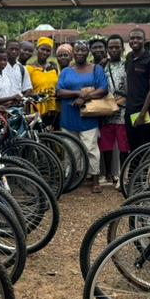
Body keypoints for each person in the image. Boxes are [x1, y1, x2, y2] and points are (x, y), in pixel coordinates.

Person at [57, 40, 108, 192]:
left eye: (83, 50)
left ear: (88, 52)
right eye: (77, 50)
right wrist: (78, 93)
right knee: (70, 148)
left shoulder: (96, 69)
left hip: (88, 116)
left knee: (90, 147)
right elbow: (59, 92)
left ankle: (95, 178)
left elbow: (103, 89)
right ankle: (72, 175)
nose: (80, 53)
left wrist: (84, 98)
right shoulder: (66, 71)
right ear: (73, 53)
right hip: (69, 116)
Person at [124, 27, 150, 151]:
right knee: (132, 147)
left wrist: (142, 113)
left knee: (143, 146)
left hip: (144, 112)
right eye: (132, 38)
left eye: (138, 38)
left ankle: (142, 171)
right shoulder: (129, 57)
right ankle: (133, 171)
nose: (135, 40)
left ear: (144, 40)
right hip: (129, 110)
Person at [99, 35, 128, 186]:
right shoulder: (103, 66)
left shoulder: (127, 65)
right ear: (107, 49)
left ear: (122, 49)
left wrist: (117, 103)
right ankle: (108, 174)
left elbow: (130, 89)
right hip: (106, 111)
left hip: (122, 111)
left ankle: (121, 175)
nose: (114, 50)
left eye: (117, 47)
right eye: (111, 47)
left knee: (123, 145)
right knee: (106, 144)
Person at [28, 37, 61, 128]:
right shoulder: (29, 68)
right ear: (37, 49)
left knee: (53, 136)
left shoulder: (54, 68)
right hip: (36, 108)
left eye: (48, 50)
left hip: (54, 109)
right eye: (42, 49)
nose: (45, 52)